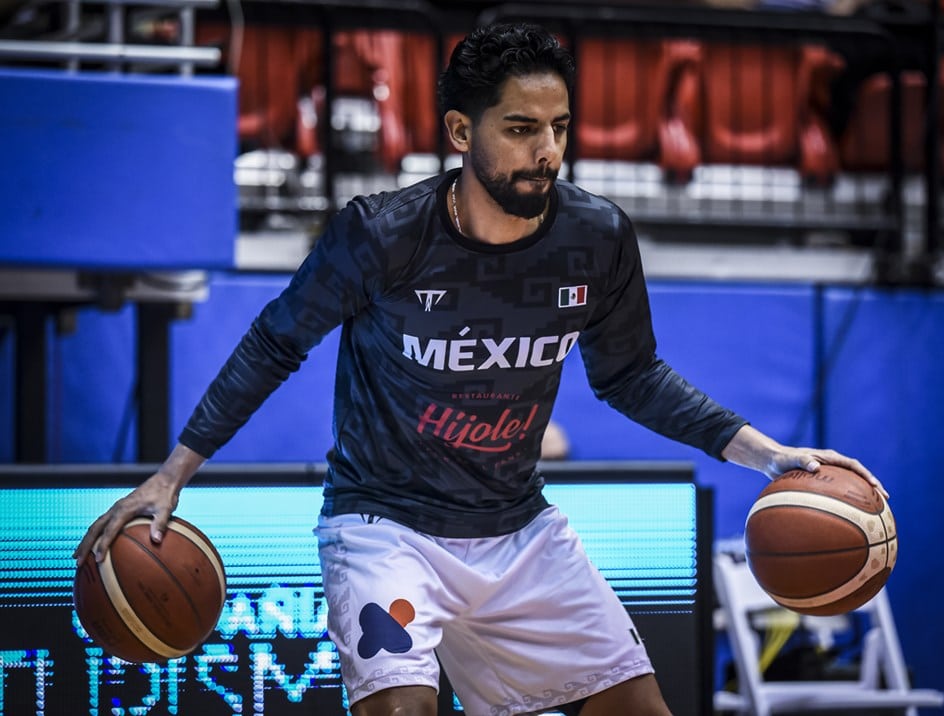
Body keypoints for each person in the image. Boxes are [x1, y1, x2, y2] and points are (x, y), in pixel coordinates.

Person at [74, 22, 887, 716]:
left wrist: (765, 454)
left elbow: (631, 374)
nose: (548, 151)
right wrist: (175, 473)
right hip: (384, 527)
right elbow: (273, 343)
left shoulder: (596, 237)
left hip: (519, 530)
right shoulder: (381, 235)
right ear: (462, 133)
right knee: (401, 704)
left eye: (560, 128)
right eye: (522, 129)